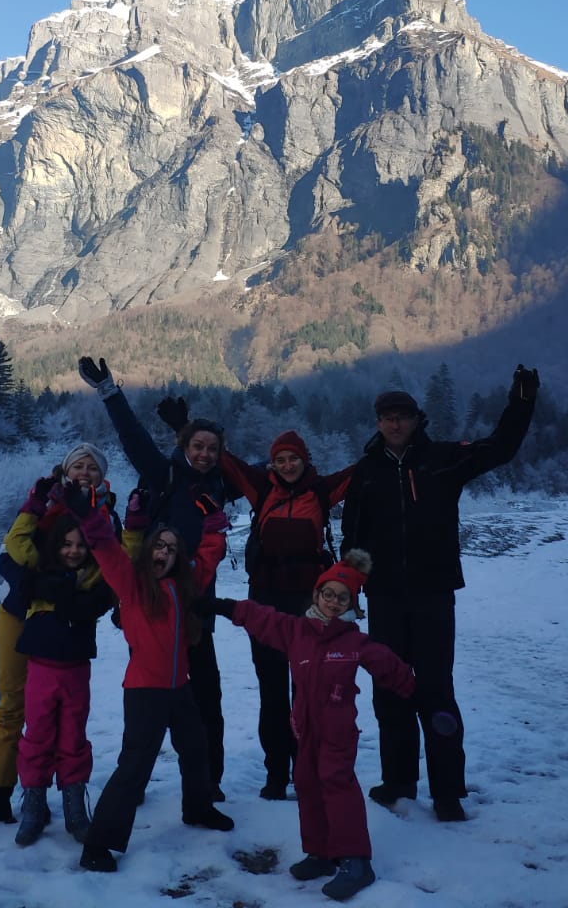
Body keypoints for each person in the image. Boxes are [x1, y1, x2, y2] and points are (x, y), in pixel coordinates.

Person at [341, 366, 539, 823]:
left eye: (402, 416)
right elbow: (353, 536)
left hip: (433, 595)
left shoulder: (444, 459)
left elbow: (501, 447)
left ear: (417, 419)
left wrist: (522, 403)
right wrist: (351, 588)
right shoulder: (366, 471)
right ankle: (398, 783)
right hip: (385, 598)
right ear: (378, 423)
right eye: (387, 417)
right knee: (389, 691)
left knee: (436, 693)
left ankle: (448, 793)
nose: (395, 423)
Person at [207, 550, 432, 902]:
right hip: (305, 730)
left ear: (351, 605)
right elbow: (262, 618)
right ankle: (321, 852)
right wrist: (224, 607)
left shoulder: (354, 642)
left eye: (342, 598)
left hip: (338, 732)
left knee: (337, 786)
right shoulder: (296, 632)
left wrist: (418, 694)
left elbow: (389, 665)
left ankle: (356, 861)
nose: (333, 602)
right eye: (328, 594)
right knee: (307, 785)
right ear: (316, 595)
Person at [78, 356, 233, 798]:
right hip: (150, 607)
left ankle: (207, 784)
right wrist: (109, 392)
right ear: (184, 447)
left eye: (212, 449)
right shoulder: (163, 475)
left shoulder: (220, 485)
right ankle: (136, 778)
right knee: (147, 702)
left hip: (196, 607)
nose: (204, 455)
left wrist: (186, 425)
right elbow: (133, 438)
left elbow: (252, 474)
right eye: (197, 446)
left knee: (205, 698)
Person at [68, 493, 235, 873]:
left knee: (196, 748)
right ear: (148, 551)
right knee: (135, 765)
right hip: (144, 690)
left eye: (172, 549)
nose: (164, 552)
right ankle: (98, 844)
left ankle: (198, 808)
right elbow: (107, 549)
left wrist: (213, 524)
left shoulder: (185, 586)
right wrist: (88, 515)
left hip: (179, 686)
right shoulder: (133, 584)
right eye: (159, 545)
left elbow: (210, 555)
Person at [0, 442, 114, 826]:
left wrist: (88, 602)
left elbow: (112, 571)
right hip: (18, 611)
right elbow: (8, 556)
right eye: (78, 466)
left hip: (65, 623)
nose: (85, 473)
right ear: (66, 471)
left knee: (60, 715)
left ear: (102, 477)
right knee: (11, 702)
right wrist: (34, 585)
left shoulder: (106, 517)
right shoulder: (41, 506)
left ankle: (58, 796)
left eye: (93, 468)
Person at [216, 422, 352, 800]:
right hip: (265, 601)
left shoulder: (321, 491)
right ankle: (276, 773)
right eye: (280, 460)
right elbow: (228, 463)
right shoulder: (261, 488)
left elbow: (359, 473)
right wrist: (186, 429)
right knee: (272, 691)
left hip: (308, 605)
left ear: (305, 460)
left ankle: (306, 770)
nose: (287, 465)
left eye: (293, 459)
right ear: (272, 464)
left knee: (307, 692)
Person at [12, 503, 116, 848]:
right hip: (41, 669)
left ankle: (75, 809)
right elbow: (16, 543)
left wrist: (122, 522)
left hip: (76, 671)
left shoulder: (96, 577)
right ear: (56, 545)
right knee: (37, 738)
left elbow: (122, 556)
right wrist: (33, 505)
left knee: (73, 739)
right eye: (67, 544)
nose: (74, 551)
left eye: (81, 545)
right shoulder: (39, 572)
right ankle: (34, 806)